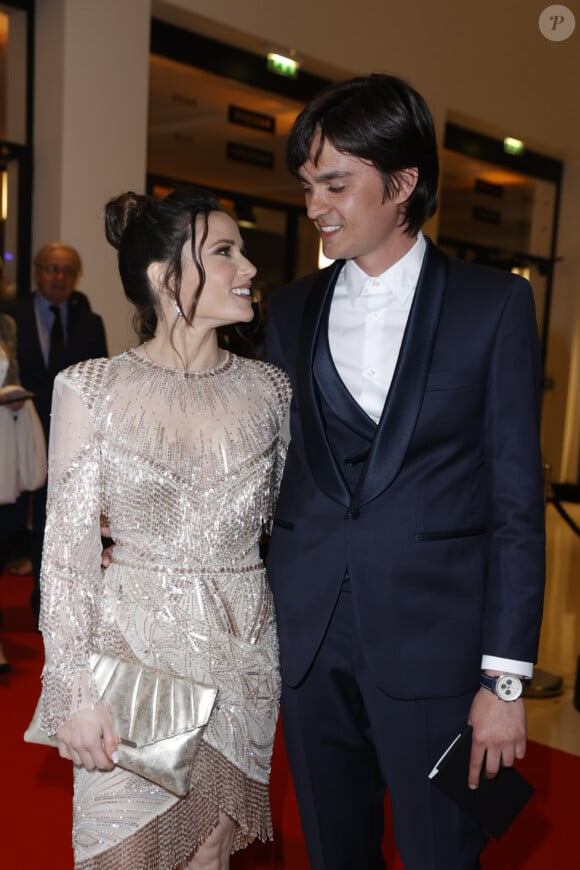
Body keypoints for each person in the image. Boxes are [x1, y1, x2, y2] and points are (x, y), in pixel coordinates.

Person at [265, 73, 545, 870]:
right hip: (309, 641)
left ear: (402, 183)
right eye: (308, 185)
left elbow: (517, 504)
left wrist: (507, 683)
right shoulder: (289, 310)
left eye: (334, 183)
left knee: (440, 854)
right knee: (332, 851)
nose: (315, 204)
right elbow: (272, 472)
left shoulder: (494, 307)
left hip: (439, 652)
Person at [33, 187, 291, 868]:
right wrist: (74, 694)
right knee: (126, 848)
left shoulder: (270, 392)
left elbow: (300, 530)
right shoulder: (91, 388)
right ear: (163, 276)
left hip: (243, 655)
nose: (247, 268)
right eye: (224, 252)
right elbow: (65, 558)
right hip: (136, 650)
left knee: (210, 852)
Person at [0, 242, 107, 620]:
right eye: (50, 268)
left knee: (53, 522)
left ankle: (45, 602)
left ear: (75, 276)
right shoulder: (9, 315)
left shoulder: (89, 322)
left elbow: (100, 383)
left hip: (68, 436)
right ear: (37, 272)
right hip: (16, 433)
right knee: (8, 518)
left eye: (65, 270)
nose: (58, 277)